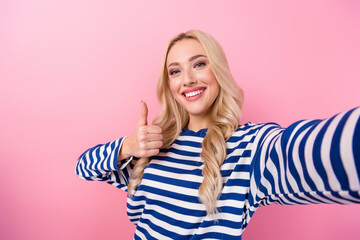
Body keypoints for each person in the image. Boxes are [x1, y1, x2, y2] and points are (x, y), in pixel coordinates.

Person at [75, 30, 360, 239]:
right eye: (175, 71)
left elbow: (307, 151)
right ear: (169, 83)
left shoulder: (249, 147)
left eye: (199, 64)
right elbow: (84, 167)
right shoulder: (155, 146)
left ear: (218, 70)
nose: (187, 79)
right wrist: (127, 146)